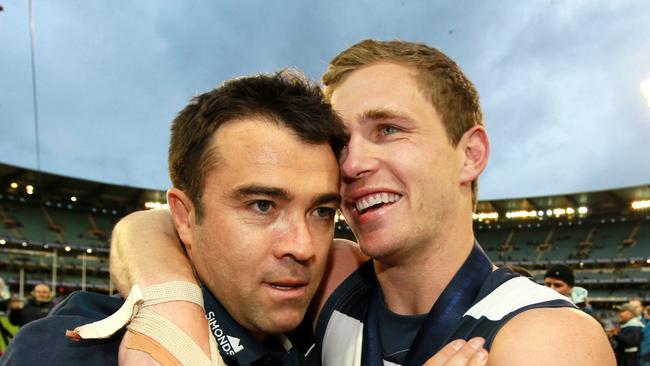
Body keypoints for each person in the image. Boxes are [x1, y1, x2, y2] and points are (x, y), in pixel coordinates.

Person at [110, 40, 614, 365]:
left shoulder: (545, 340)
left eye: (388, 129)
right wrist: (170, 305)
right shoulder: (333, 277)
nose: (351, 165)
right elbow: (154, 227)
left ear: (470, 154)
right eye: (344, 143)